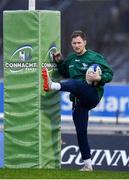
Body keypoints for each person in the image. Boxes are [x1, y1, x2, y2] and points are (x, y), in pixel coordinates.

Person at [42, 30, 113, 171]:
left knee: (76, 83)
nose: (76, 45)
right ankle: (88, 165)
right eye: (74, 43)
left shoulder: (95, 57)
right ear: (71, 44)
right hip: (79, 102)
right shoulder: (71, 59)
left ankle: (52, 86)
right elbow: (64, 72)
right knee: (81, 133)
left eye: (79, 42)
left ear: (85, 42)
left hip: (91, 95)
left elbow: (109, 73)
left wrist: (99, 78)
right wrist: (59, 61)